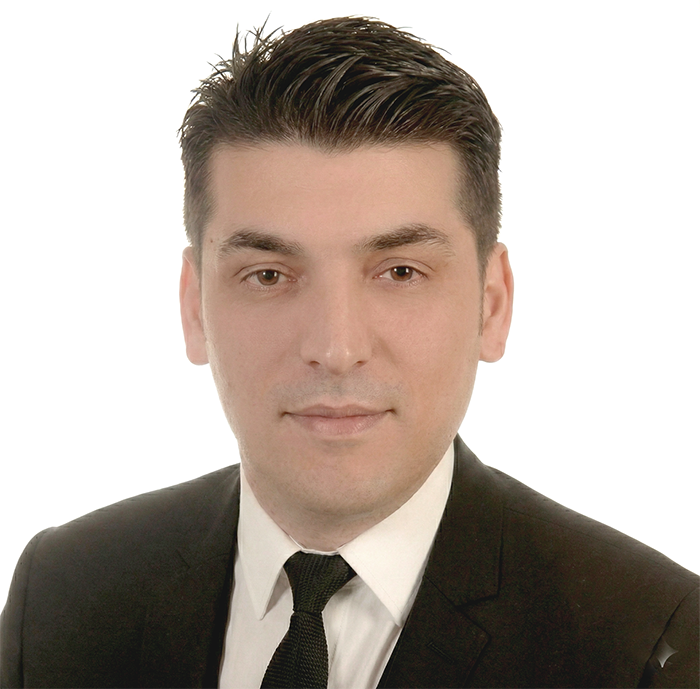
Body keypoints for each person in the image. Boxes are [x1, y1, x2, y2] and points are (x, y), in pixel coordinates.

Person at [0, 16, 697, 689]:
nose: (335, 349)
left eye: (400, 272)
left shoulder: (645, 644)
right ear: (194, 306)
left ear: (491, 304)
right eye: (268, 275)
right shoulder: (61, 596)